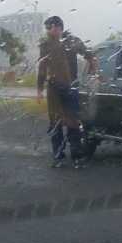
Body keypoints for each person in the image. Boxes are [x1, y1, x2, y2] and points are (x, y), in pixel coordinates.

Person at [36, 16, 98, 168]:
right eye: (47, 28)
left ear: (59, 28)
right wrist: (39, 89)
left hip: (71, 87)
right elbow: (42, 69)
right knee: (55, 123)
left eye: (51, 28)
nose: (49, 31)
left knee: (73, 122)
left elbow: (88, 54)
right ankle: (58, 157)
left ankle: (77, 156)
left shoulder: (71, 42)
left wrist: (93, 67)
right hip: (54, 89)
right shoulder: (45, 46)